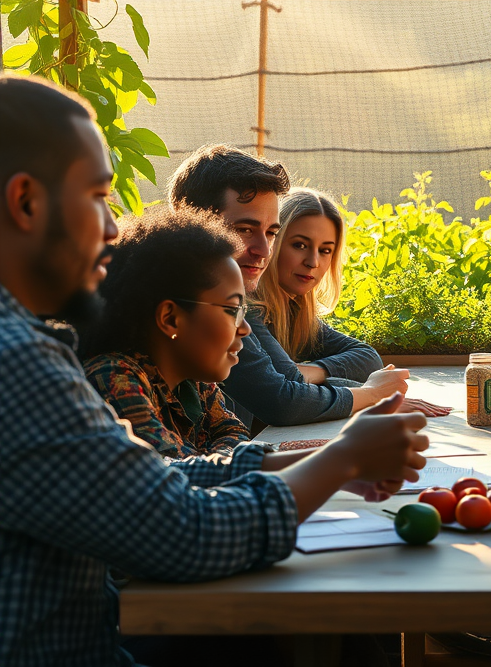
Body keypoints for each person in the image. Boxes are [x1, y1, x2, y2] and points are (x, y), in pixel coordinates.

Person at [0, 76, 428, 667]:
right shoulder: (20, 364)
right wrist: (343, 458)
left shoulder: (33, 344)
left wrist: (317, 460)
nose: (108, 230)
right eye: (97, 197)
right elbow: (180, 530)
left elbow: (159, 480)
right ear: (26, 203)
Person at [168, 145, 410, 430]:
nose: (263, 250)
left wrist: (312, 376)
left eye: (271, 232)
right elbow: (282, 400)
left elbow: (227, 436)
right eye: (244, 229)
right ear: (192, 225)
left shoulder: (268, 310)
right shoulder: (207, 308)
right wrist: (371, 394)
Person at [255, 187, 450, 417]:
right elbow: (289, 393)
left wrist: (312, 371)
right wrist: (371, 395)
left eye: (325, 250)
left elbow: (367, 358)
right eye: (300, 245)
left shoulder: (296, 314)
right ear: (272, 243)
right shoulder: (249, 313)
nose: (313, 261)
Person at [82, 209, 254, 457]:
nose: (245, 328)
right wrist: (225, 460)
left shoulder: (194, 379)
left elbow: (232, 431)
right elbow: (176, 469)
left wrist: (221, 458)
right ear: (171, 319)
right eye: (231, 309)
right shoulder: (113, 377)